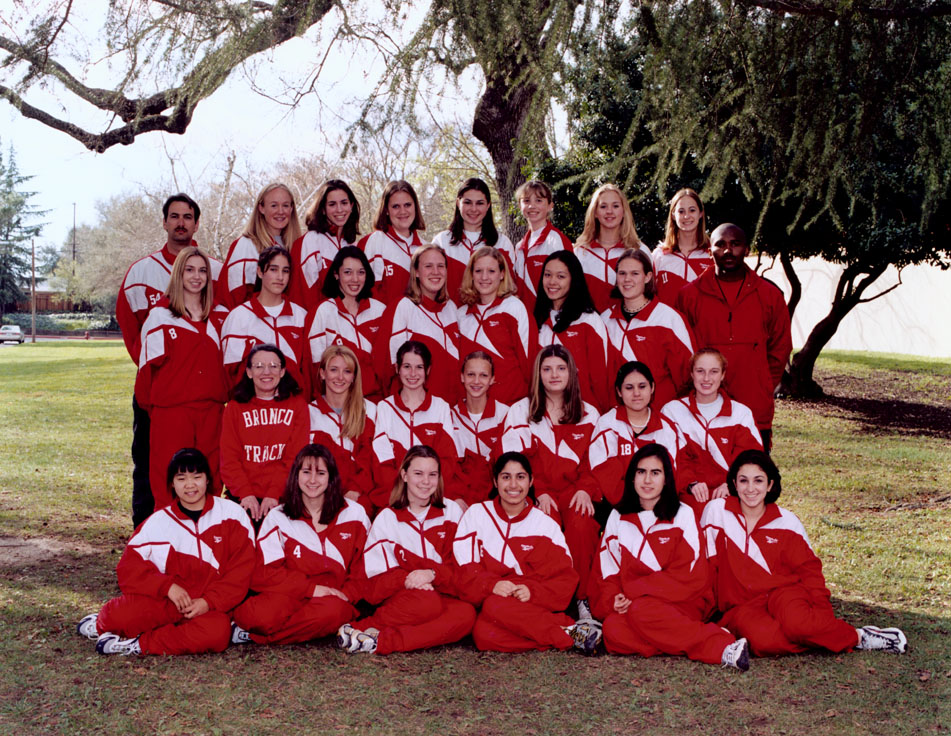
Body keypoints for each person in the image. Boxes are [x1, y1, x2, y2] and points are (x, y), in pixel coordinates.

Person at [701, 450, 908, 657]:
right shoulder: (717, 512)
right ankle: (831, 637)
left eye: (758, 480)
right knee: (765, 643)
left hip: (783, 593)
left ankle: (860, 637)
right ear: (734, 484)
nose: (751, 488)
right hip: (742, 606)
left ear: (770, 485)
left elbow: (810, 571)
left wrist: (821, 617)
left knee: (800, 626)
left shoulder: (788, 522)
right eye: (743, 481)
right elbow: (705, 566)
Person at [76, 448, 255, 655]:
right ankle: (101, 622)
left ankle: (137, 645)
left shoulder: (232, 515)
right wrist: (167, 587)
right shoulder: (159, 522)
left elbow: (241, 572)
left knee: (217, 634)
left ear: (208, 480)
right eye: (181, 478)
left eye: (197, 477)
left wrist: (209, 602)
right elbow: (128, 568)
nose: (190, 484)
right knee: (118, 617)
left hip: (210, 606)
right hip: (168, 601)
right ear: (172, 483)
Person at [590, 444, 750, 668]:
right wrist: (614, 598)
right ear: (631, 477)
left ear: (666, 479)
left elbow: (691, 576)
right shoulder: (618, 516)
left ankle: (721, 646)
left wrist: (635, 592)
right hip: (642, 610)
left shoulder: (683, 514)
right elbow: (607, 569)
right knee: (613, 628)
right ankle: (679, 640)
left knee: (640, 612)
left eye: (655, 473)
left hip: (683, 601)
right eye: (641, 472)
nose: (647, 480)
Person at [116, 193, 220, 527]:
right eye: (174, 216)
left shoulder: (218, 305)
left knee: (208, 475)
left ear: (196, 222)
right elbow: (135, 336)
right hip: (164, 402)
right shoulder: (145, 278)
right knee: (155, 471)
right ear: (164, 222)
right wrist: (169, 381)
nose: (180, 222)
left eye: (187, 216)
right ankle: (149, 537)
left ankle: (205, 542)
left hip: (209, 407)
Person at [337, 445, 476, 654]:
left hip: (444, 594)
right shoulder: (387, 518)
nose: (425, 481)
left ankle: (380, 641)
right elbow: (373, 586)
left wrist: (432, 574)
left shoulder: (451, 512)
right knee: (427, 603)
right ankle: (362, 627)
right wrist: (408, 579)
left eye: (432, 474)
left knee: (466, 614)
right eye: (418, 473)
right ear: (404, 475)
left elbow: (462, 570)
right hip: (407, 599)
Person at [453, 452, 594, 653]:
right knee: (484, 634)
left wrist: (532, 592)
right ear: (495, 481)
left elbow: (564, 581)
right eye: (506, 477)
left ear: (531, 481)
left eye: (520, 477)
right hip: (492, 604)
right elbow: (464, 570)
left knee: (491, 616)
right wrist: (491, 585)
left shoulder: (545, 525)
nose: (513, 485)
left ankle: (557, 632)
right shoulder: (476, 515)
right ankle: (569, 632)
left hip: (525, 606)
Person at [230, 444, 370, 646]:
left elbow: (365, 569)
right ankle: (320, 629)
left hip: (333, 597)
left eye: (320, 473)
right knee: (258, 615)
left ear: (331, 477)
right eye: (306, 472)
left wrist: (348, 594)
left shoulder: (354, 514)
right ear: (295, 476)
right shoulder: (278, 516)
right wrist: (311, 589)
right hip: (290, 593)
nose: (312, 480)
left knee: (333, 612)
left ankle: (253, 637)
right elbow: (263, 573)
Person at [500, 345, 601, 612]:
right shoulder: (520, 411)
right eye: (546, 369)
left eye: (560, 368)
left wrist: (585, 489)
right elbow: (513, 462)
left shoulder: (590, 414)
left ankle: (581, 599)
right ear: (538, 374)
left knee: (581, 525)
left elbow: (598, 462)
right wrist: (538, 492)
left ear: (572, 372)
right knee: (544, 523)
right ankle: (546, 599)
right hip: (536, 492)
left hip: (573, 491)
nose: (554, 375)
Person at [675, 223, 792, 448]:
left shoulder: (769, 295)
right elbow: (682, 352)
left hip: (754, 405)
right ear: (710, 251)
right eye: (720, 245)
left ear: (747, 250)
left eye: (735, 244)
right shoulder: (688, 296)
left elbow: (780, 349)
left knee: (753, 478)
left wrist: (763, 383)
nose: (728, 251)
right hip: (703, 407)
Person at [135, 246, 229, 509]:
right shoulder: (160, 317)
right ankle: (168, 543)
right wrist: (158, 410)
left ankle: (205, 540)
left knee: (210, 478)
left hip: (212, 412)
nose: (196, 276)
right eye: (189, 270)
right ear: (178, 274)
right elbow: (145, 374)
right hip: (172, 413)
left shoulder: (221, 318)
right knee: (168, 481)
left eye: (202, 271)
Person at [660, 349, 762, 510]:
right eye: (700, 371)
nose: (706, 378)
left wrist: (733, 485)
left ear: (722, 375)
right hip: (687, 495)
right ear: (692, 374)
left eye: (714, 372)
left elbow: (752, 458)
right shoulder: (673, 411)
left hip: (731, 494)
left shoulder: (741, 413)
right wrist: (690, 484)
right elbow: (671, 456)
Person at [219, 344, 309, 524]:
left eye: (273, 366)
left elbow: (295, 458)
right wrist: (246, 494)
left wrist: (274, 494)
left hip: (284, 495)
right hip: (242, 497)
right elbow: (229, 459)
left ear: (282, 371)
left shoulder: (298, 405)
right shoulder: (234, 408)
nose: (266, 372)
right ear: (249, 372)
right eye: (259, 366)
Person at [371, 341, 463, 512]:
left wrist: (425, 494)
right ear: (397, 369)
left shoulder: (441, 407)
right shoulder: (385, 407)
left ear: (427, 370)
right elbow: (381, 462)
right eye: (407, 366)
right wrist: (404, 497)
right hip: (394, 498)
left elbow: (447, 460)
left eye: (419, 367)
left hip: (432, 496)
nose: (413, 373)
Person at [602, 248, 694, 410]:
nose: (627, 279)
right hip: (617, 419)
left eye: (635, 273)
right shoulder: (604, 320)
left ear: (648, 277)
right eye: (622, 273)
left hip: (661, 417)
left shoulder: (668, 319)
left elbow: (688, 376)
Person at [589, 361, 685, 507]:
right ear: (619, 391)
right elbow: (603, 471)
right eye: (629, 388)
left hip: (659, 505)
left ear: (652, 387)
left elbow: (672, 473)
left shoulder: (666, 427)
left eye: (642, 386)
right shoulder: (607, 424)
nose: (636, 393)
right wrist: (633, 505)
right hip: (620, 506)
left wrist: (653, 505)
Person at [376, 244, 462, 403]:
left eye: (440, 266)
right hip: (415, 410)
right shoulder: (403, 307)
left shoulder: (451, 308)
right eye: (428, 266)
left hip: (452, 410)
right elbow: (386, 367)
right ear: (416, 272)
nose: (435, 272)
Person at [219, 245, 308, 392]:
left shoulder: (301, 316)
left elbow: (307, 371)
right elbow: (229, 373)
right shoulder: (239, 316)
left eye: (285, 271)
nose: (280, 277)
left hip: (293, 408)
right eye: (273, 270)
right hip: (252, 410)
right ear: (260, 272)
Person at [302, 246, 386, 400]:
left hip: (375, 402)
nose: (355, 279)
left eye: (361, 272)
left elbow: (387, 365)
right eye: (347, 272)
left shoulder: (381, 311)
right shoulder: (322, 312)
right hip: (336, 403)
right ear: (336, 274)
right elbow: (313, 367)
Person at [534, 250, 614, 412]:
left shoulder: (589, 320)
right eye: (548, 275)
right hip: (544, 414)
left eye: (561, 276)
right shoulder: (536, 320)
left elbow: (601, 377)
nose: (552, 282)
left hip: (583, 413)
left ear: (573, 280)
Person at [456, 245, 536, 404]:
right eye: (478, 271)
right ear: (471, 274)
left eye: (491, 271)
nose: (484, 277)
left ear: (502, 274)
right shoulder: (461, 314)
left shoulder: (514, 308)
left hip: (512, 406)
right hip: (475, 410)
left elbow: (530, 361)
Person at [307, 345, 378, 516]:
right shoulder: (308, 413)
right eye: (333, 370)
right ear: (323, 374)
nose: (340, 377)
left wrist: (355, 489)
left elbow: (371, 457)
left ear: (354, 377)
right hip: (319, 497)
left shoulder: (370, 410)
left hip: (360, 498)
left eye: (347, 371)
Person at [217, 183, 303, 311]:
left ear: (291, 209)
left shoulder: (297, 246)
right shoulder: (246, 245)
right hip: (253, 325)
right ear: (261, 208)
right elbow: (232, 297)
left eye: (285, 205)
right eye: (274, 205)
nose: (281, 211)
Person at [431, 177, 517, 300]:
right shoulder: (441, 241)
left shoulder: (502, 243)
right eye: (467, 202)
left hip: (490, 317)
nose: (473, 209)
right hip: (450, 317)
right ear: (458, 203)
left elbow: (508, 288)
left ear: (488, 205)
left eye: (480, 203)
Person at [574, 184, 650, 312]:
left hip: (627, 326)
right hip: (589, 326)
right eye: (603, 206)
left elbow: (649, 294)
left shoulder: (639, 250)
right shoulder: (580, 252)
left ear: (623, 211)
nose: (609, 211)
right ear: (595, 213)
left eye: (615, 206)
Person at [288, 179, 361, 311]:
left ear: (351, 206)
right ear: (322, 209)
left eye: (344, 203)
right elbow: (301, 296)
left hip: (348, 327)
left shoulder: (354, 246)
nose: (339, 209)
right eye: (332, 204)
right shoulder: (310, 241)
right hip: (320, 326)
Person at [451, 351, 510, 508]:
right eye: (471, 374)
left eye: (483, 375)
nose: (476, 381)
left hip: (496, 497)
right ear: (462, 377)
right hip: (461, 498)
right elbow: (448, 466)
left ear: (492, 379)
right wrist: (456, 498)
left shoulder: (506, 415)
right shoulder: (450, 416)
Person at [360, 180, 426, 305]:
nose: (403, 211)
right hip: (381, 322)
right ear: (386, 210)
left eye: (407, 205)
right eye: (396, 206)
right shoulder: (372, 242)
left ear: (415, 207)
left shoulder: (426, 248)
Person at [512, 180, 573, 314]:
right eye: (526, 200)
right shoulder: (519, 246)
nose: (532, 206)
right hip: (524, 319)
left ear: (550, 205)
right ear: (519, 205)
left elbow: (569, 283)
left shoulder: (556, 240)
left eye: (539, 200)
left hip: (549, 318)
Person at [652, 188, 713, 307]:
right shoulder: (659, 255)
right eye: (681, 211)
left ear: (700, 214)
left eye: (692, 210)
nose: (686, 216)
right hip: (668, 325)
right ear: (673, 215)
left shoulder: (712, 254)